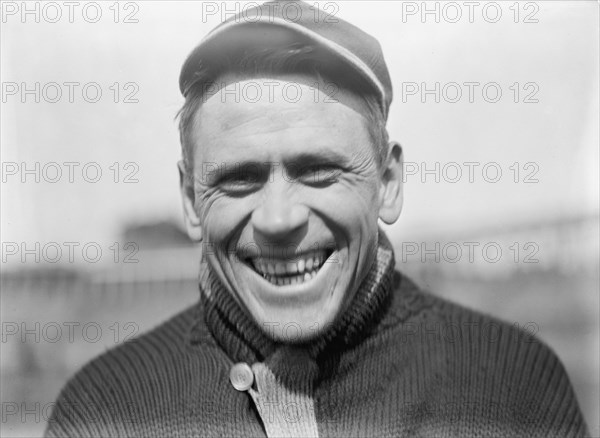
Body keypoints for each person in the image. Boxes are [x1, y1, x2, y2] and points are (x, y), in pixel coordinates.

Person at [46, 1, 588, 436]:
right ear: (190, 199)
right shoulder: (105, 410)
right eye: (239, 179)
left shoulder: (515, 387)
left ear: (389, 184)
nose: (279, 219)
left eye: (319, 171)